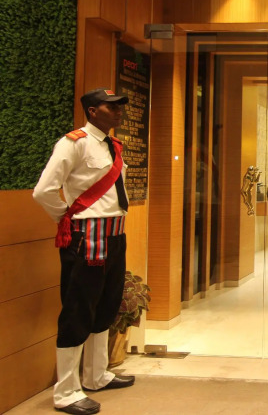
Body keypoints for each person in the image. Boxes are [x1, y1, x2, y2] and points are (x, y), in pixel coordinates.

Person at [33, 88, 135, 415]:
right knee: (78, 308)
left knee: (106, 304)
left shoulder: (113, 145)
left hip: (115, 233)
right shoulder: (73, 143)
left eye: (120, 106)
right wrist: (67, 217)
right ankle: (66, 392)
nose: (119, 111)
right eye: (111, 106)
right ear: (92, 111)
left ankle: (95, 375)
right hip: (87, 235)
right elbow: (44, 190)